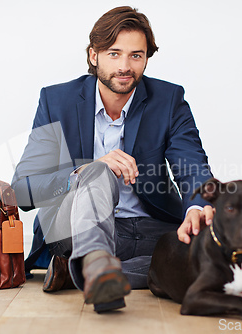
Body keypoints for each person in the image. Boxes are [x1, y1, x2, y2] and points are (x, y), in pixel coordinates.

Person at [12, 6, 214, 313]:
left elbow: (192, 164)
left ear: (146, 58)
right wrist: (83, 172)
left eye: (136, 55)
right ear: (94, 56)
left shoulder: (168, 99)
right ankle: (95, 262)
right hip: (76, 228)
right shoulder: (57, 101)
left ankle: (83, 271)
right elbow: (23, 190)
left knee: (204, 255)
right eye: (114, 53)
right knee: (98, 172)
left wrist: (197, 206)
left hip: (150, 229)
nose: (125, 66)